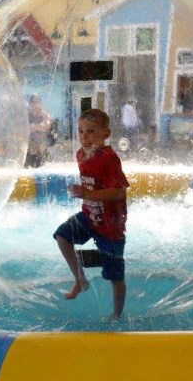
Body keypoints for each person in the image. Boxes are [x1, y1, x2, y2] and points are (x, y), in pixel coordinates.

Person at [53, 108, 129, 319]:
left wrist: (87, 193)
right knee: (62, 236)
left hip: (110, 227)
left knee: (115, 276)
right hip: (89, 216)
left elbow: (118, 191)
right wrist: (86, 195)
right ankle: (80, 280)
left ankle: (117, 315)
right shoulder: (81, 155)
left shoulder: (110, 159)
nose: (85, 137)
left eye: (91, 131)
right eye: (81, 131)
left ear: (105, 134)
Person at [24, 94, 52, 168]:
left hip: (40, 152)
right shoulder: (26, 116)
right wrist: (37, 127)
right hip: (28, 151)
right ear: (29, 104)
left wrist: (32, 126)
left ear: (40, 104)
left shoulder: (45, 115)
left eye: (37, 102)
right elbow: (23, 129)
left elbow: (45, 127)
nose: (34, 104)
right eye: (32, 102)